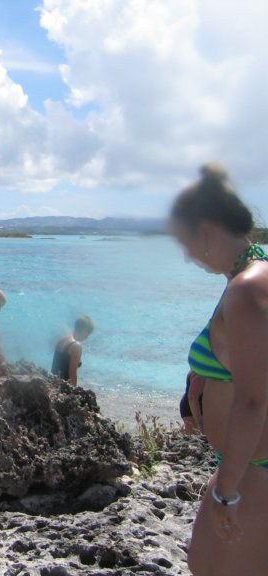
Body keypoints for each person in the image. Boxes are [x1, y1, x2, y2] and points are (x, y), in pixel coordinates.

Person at [170, 163, 268, 575]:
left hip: (254, 470)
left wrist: (227, 490)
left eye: (185, 243)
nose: (188, 256)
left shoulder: (247, 289)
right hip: (245, 464)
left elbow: (254, 397)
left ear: (206, 230)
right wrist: (201, 379)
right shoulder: (249, 275)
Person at [51, 316, 95, 386]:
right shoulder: (76, 346)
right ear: (84, 330)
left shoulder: (62, 340)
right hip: (62, 387)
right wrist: (74, 391)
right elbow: (72, 374)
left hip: (52, 382)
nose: (87, 336)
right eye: (88, 333)